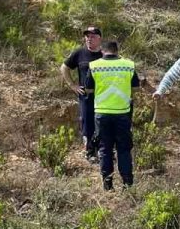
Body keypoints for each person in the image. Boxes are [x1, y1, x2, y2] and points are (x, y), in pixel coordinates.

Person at [84, 40, 140, 190]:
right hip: (123, 113)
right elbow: (135, 87)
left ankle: (108, 185)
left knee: (104, 149)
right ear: (117, 50)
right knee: (124, 149)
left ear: (102, 51)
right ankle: (127, 184)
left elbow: (88, 90)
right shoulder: (128, 65)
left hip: (102, 113)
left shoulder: (94, 66)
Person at [60, 26, 104, 161]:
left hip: (104, 96)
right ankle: (90, 152)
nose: (89, 39)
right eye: (87, 36)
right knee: (88, 123)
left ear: (99, 38)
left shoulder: (105, 54)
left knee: (103, 122)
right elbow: (64, 67)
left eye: (92, 36)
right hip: (86, 96)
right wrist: (72, 85)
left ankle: (103, 150)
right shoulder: (79, 53)